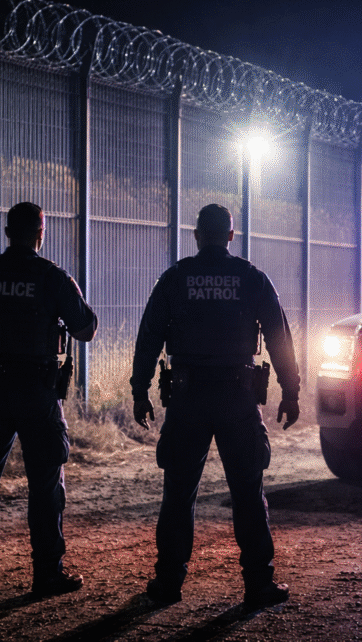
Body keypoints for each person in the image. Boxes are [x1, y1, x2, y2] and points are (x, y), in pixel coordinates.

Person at [131, 203, 300, 609]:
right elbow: (279, 336)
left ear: (195, 234)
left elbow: (149, 336)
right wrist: (290, 391)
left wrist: (141, 390)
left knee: (178, 493)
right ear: (229, 235)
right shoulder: (251, 278)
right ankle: (259, 583)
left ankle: (168, 583)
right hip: (237, 398)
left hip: (187, 399)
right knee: (247, 491)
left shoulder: (175, 278)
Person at [0, 202, 97, 597]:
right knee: (45, 486)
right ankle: (47, 574)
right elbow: (86, 329)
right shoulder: (51, 277)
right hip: (37, 393)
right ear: (40, 233)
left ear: (7, 231)